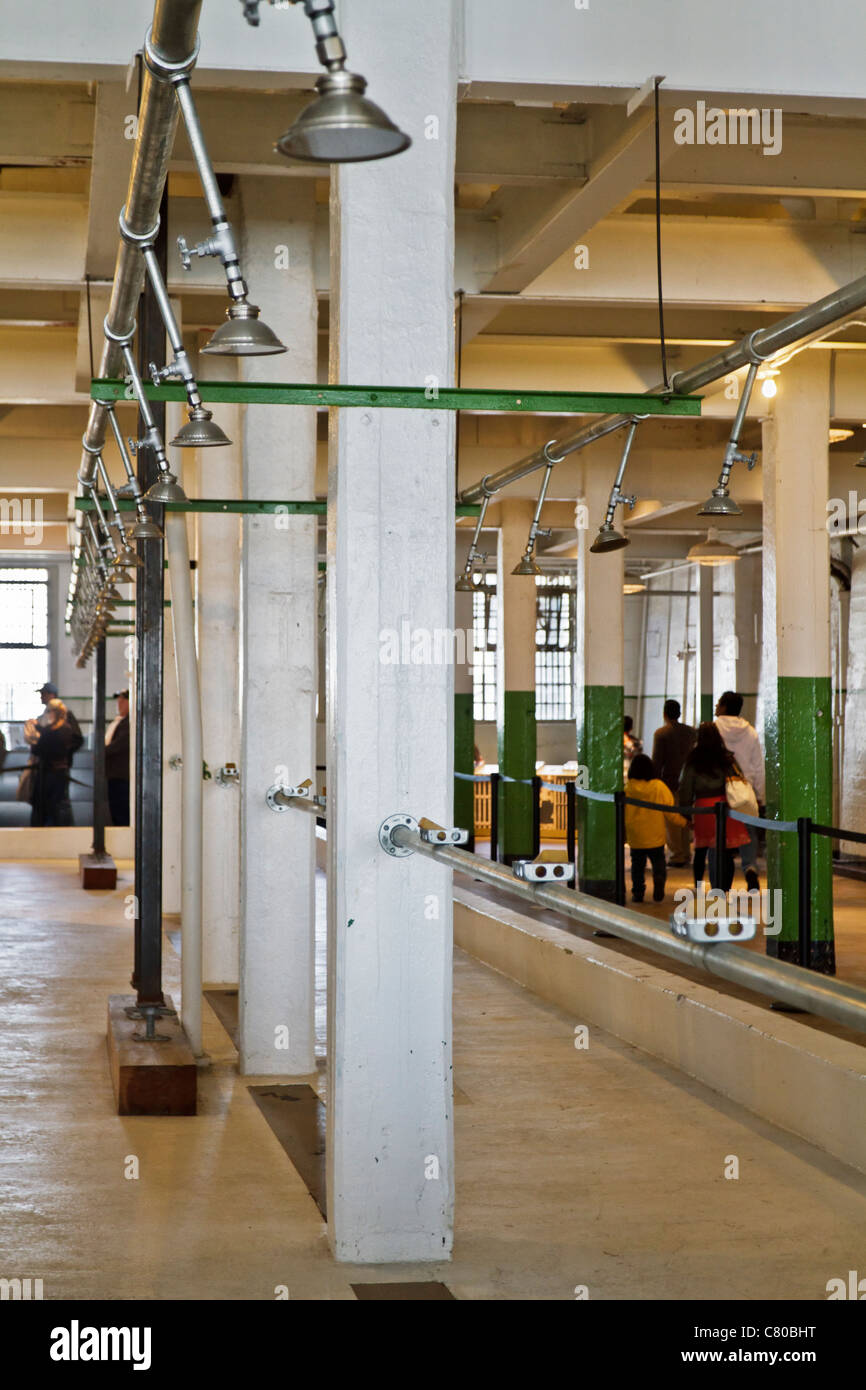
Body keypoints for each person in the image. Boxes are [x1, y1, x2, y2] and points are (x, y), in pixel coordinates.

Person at [678, 722, 750, 892]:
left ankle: (698, 886)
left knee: (701, 850)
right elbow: (738, 779)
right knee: (725, 852)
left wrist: (686, 812)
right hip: (724, 807)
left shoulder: (693, 759)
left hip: (703, 808)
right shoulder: (726, 757)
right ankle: (724, 889)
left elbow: (685, 787)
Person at [715, 691, 765, 893]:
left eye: (718, 703)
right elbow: (758, 766)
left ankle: (722, 879)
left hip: (720, 789)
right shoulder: (750, 732)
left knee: (721, 832)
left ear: (725, 707)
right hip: (745, 789)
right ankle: (750, 867)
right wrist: (760, 796)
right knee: (748, 832)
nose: (716, 707)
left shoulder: (713, 728)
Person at [625, 753, 687, 903]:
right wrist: (684, 823)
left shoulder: (628, 788)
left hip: (636, 837)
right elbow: (670, 812)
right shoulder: (659, 787)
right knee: (658, 863)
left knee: (637, 866)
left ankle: (638, 893)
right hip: (655, 836)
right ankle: (659, 882)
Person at [651, 699, 696, 867]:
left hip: (669, 782)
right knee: (685, 817)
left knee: (672, 821)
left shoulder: (661, 733)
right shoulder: (692, 732)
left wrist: (654, 782)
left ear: (664, 713)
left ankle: (677, 855)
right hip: (689, 782)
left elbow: (657, 761)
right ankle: (686, 852)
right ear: (679, 713)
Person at [28, 699, 76, 827]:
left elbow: (39, 748)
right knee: (54, 805)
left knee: (49, 806)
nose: (48, 714)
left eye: (49, 711)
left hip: (49, 774)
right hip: (57, 773)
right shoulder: (65, 729)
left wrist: (35, 739)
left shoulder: (55, 731)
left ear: (55, 712)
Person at [35, 682, 84, 765]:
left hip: (59, 765)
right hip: (46, 763)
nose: (41, 697)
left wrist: (63, 753)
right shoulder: (43, 717)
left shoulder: (66, 715)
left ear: (52, 695)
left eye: (44, 694)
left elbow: (77, 739)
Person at [105, 690, 131, 826]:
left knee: (121, 813)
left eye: (122, 700)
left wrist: (102, 753)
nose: (119, 703)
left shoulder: (129, 722)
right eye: (118, 700)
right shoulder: (121, 722)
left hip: (121, 775)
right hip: (116, 774)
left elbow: (119, 744)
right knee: (116, 812)